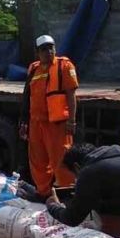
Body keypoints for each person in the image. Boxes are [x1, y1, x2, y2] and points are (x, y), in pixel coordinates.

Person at [19, 35, 79, 199]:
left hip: (57, 124)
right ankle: (43, 193)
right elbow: (27, 96)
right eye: (44, 49)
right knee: (38, 162)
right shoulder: (34, 69)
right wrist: (24, 122)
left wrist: (72, 120)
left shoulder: (64, 66)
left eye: (51, 47)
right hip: (36, 123)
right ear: (38, 52)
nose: (48, 52)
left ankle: (68, 195)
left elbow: (71, 95)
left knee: (61, 161)